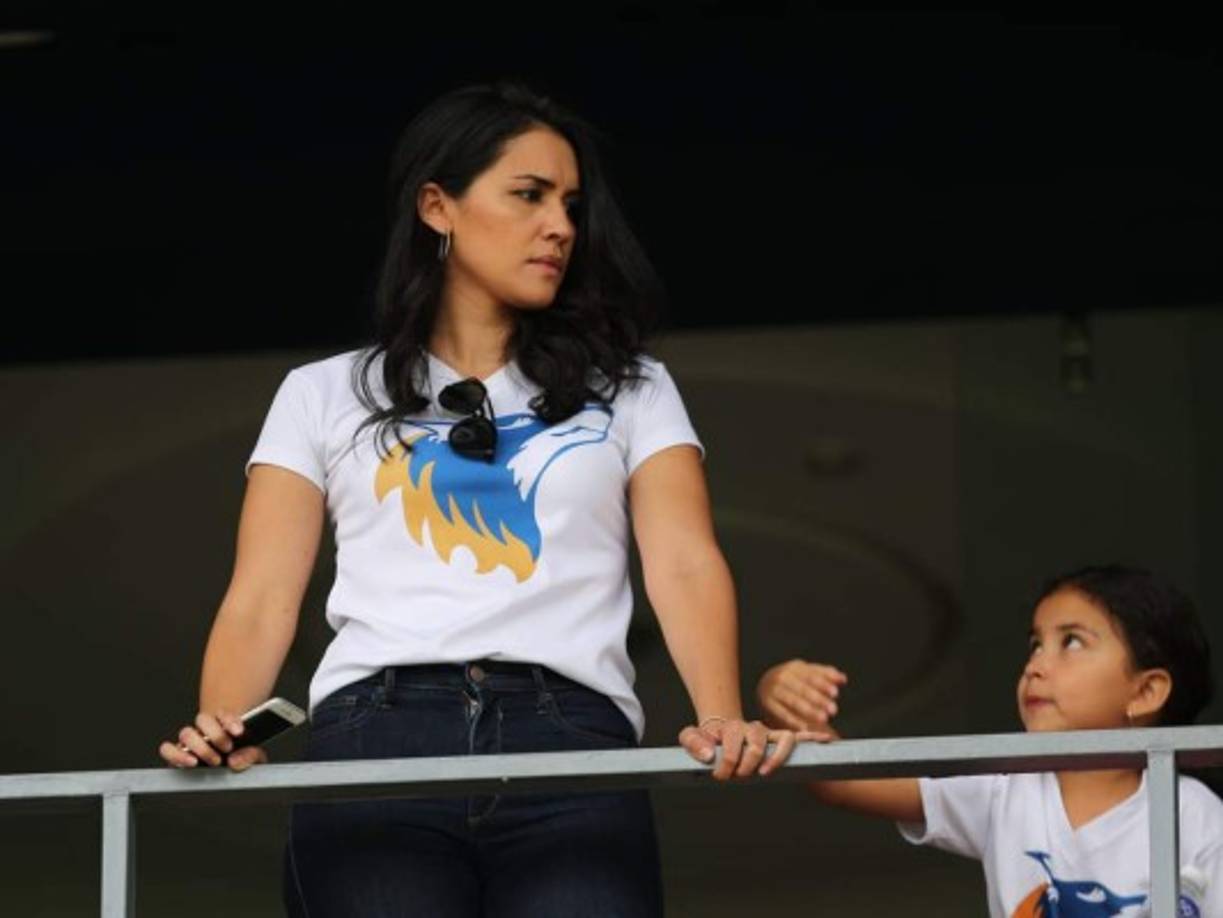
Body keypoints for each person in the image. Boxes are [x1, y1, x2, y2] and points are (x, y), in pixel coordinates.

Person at [157, 81, 801, 917]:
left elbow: (681, 560)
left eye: (570, 203)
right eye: (528, 195)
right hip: (376, 738)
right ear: (438, 207)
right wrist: (223, 721)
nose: (560, 226)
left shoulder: (633, 388)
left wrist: (719, 715)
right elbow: (262, 594)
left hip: (571, 734)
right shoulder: (320, 393)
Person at [757, 564, 1222, 916]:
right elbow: (842, 783)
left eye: (1072, 642)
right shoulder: (1004, 792)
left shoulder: (1196, 815)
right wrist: (779, 697)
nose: (1036, 665)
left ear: (1145, 692)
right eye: (1035, 644)